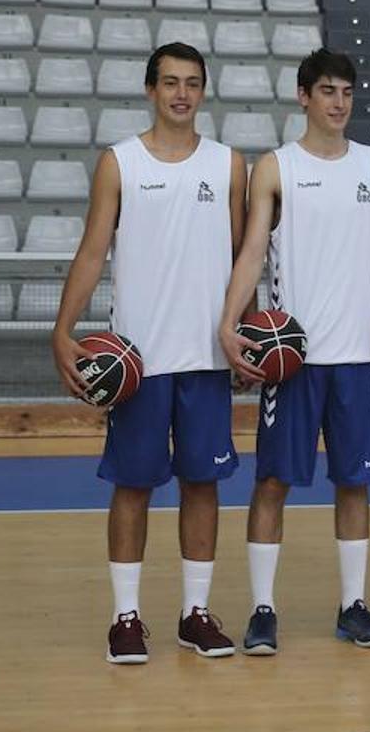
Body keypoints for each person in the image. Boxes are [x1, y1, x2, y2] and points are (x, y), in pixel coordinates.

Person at [51, 42, 246, 664]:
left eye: (192, 83)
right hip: (136, 359)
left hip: (206, 360)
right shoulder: (120, 163)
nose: (181, 94)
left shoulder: (228, 165)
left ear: (203, 91)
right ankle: (126, 617)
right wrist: (63, 328)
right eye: (170, 83)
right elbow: (90, 252)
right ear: (150, 90)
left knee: (203, 484)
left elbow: (246, 259)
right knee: (133, 487)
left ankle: (195, 614)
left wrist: (246, 333)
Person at [217, 48, 370, 653]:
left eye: (346, 91)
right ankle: (263, 609)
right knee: (272, 481)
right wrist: (228, 321)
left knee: (355, 484)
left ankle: (354, 605)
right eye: (326, 91)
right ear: (303, 96)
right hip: (291, 357)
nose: (338, 103)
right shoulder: (275, 168)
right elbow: (250, 254)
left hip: (357, 356)